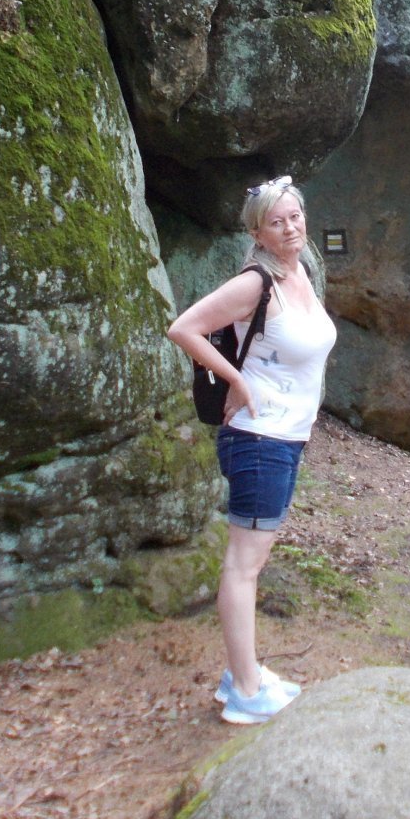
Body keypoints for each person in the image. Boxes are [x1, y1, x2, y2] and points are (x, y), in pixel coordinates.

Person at [164, 174, 337, 725]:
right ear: (258, 233)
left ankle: (242, 674)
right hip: (259, 438)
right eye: (276, 222)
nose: (290, 228)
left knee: (250, 561)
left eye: (295, 217)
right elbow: (184, 328)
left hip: (286, 436)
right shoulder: (255, 282)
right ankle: (244, 689)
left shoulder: (300, 271)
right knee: (244, 566)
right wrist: (236, 382)